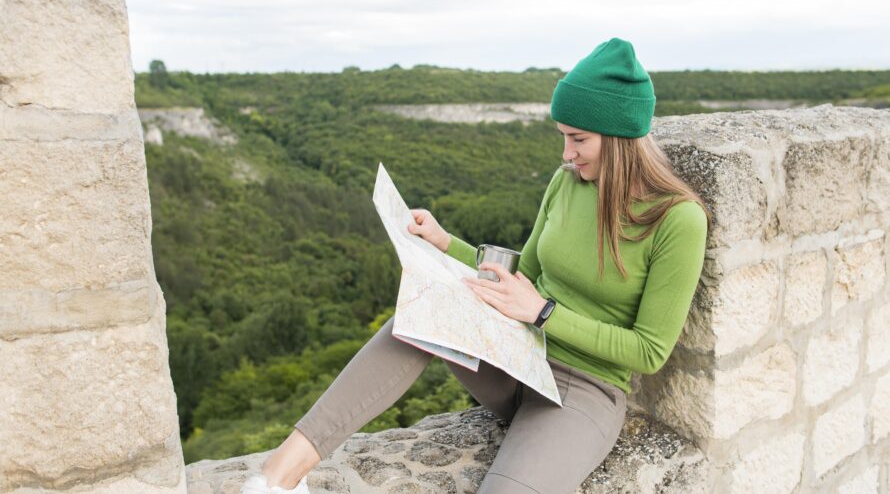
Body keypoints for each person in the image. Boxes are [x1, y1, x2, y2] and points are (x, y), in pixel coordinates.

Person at [240, 37, 712, 494]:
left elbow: (649, 351)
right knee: (421, 315)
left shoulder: (678, 219)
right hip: (517, 358)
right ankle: (278, 475)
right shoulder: (567, 182)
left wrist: (544, 312)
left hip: (582, 393)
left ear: (621, 136)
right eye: (563, 137)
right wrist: (445, 243)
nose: (566, 154)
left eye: (578, 139)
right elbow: (521, 271)